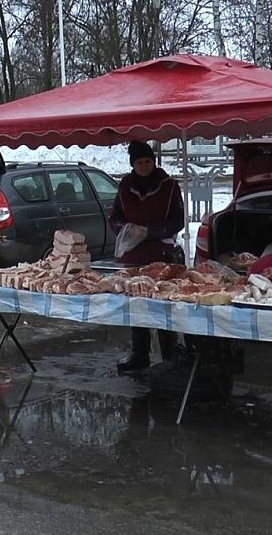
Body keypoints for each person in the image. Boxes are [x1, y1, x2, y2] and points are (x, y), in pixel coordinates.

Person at [110, 140, 186, 371]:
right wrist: (128, 228)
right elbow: (114, 219)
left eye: (147, 161)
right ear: (133, 165)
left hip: (161, 255)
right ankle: (139, 354)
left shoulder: (169, 186)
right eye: (139, 162)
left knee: (162, 305)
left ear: (154, 162)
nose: (144, 166)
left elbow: (178, 221)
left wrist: (151, 231)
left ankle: (169, 356)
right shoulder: (125, 186)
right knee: (137, 304)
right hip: (132, 255)